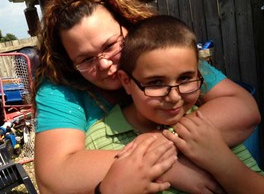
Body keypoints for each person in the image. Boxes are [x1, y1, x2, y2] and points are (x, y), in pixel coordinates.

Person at [33, 0, 260, 193]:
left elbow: (243, 108)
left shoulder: (162, 53)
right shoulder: (60, 89)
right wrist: (168, 167)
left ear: (128, 25)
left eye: (111, 45)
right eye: (85, 59)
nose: (103, 64)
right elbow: (53, 178)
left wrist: (162, 144)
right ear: (70, 64)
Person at [85, 15, 263, 193]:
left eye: (185, 78)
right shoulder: (99, 140)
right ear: (126, 82)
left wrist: (222, 162)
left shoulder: (202, 124)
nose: (174, 97)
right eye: (155, 83)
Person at [164, 111, 264, 194]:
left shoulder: (204, 128)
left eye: (184, 85)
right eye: (156, 85)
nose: (175, 96)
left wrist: (222, 161)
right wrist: (162, 168)